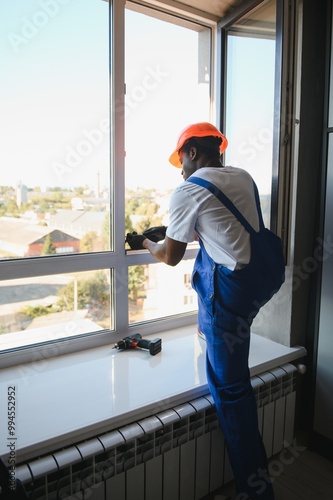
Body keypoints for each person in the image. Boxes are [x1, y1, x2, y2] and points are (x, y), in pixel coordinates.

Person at [138, 122, 283, 499]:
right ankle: (213, 331)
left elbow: (170, 257)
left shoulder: (187, 189)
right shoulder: (243, 177)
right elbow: (224, 230)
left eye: (181, 161)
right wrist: (173, 228)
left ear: (191, 152)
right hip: (261, 282)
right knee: (207, 261)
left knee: (231, 393)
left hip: (231, 299)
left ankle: (256, 492)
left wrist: (145, 243)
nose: (181, 170)